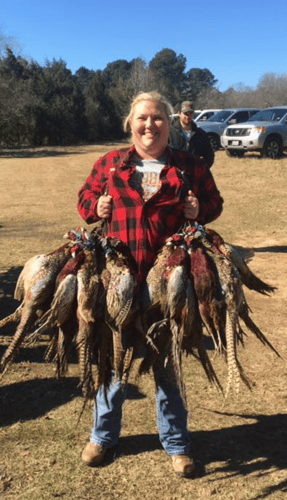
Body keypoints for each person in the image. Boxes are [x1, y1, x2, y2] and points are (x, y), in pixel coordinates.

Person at [77, 91, 223, 478]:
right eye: (142, 118)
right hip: (119, 280)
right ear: (130, 123)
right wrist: (97, 208)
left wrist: (199, 210)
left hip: (168, 282)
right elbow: (84, 198)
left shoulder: (189, 166)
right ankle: (103, 437)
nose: (150, 125)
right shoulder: (110, 164)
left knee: (168, 365)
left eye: (158, 118)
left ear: (170, 123)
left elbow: (214, 203)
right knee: (113, 361)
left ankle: (176, 444)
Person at [169, 101, 215, 168]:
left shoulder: (201, 134)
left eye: (190, 113)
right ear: (179, 113)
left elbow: (209, 156)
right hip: (175, 175)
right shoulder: (170, 132)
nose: (188, 116)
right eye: (185, 113)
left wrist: (201, 171)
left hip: (194, 175)